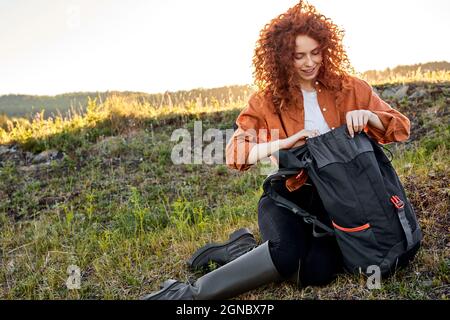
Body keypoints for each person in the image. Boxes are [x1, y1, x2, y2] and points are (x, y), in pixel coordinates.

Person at [143, 0, 411, 300]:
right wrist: (278, 144)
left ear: (326, 49)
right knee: (286, 254)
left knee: (318, 272)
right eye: (299, 56)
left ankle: (241, 249)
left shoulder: (350, 88)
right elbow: (235, 154)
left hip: (341, 201)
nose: (309, 63)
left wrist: (370, 117)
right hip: (290, 198)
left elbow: (400, 126)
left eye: (315, 53)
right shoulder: (266, 101)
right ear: (283, 57)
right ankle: (187, 294)